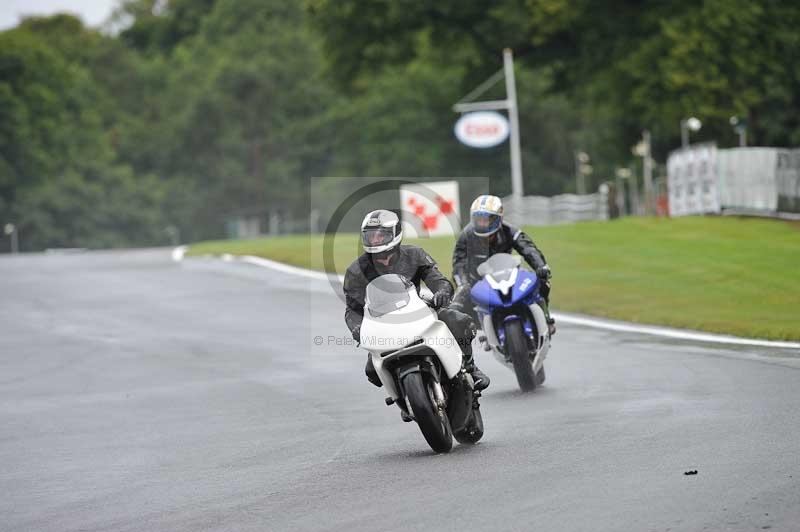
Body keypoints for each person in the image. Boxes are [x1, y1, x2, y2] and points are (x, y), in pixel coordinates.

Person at [343, 209, 490, 391]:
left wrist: (442, 291)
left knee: (457, 321)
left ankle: (470, 368)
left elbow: (436, 278)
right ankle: (403, 395)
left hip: (418, 309)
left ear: (395, 233)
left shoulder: (414, 254)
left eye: (382, 235)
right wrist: (356, 327)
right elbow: (352, 309)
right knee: (372, 371)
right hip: (382, 323)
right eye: (371, 236)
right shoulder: (356, 270)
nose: (376, 240)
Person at [450, 195, 556, 336]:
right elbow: (459, 262)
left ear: (498, 218)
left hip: (507, 276)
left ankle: (546, 318)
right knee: (455, 306)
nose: (482, 223)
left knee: (542, 281)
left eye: (486, 219)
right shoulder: (466, 235)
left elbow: (528, 248)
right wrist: (463, 283)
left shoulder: (509, 231)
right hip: (478, 282)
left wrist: (541, 266)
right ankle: (464, 347)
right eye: (478, 219)